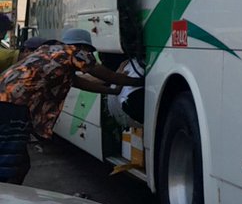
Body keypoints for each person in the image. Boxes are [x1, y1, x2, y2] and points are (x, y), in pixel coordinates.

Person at [0, 28, 142, 184]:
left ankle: (10, 192)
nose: (89, 55)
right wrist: (138, 81)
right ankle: (7, 197)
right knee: (11, 161)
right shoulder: (74, 53)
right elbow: (106, 75)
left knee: (19, 161)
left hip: (7, 101)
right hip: (13, 105)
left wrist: (113, 91)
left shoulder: (50, 52)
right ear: (82, 46)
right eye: (89, 50)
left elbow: (80, 83)